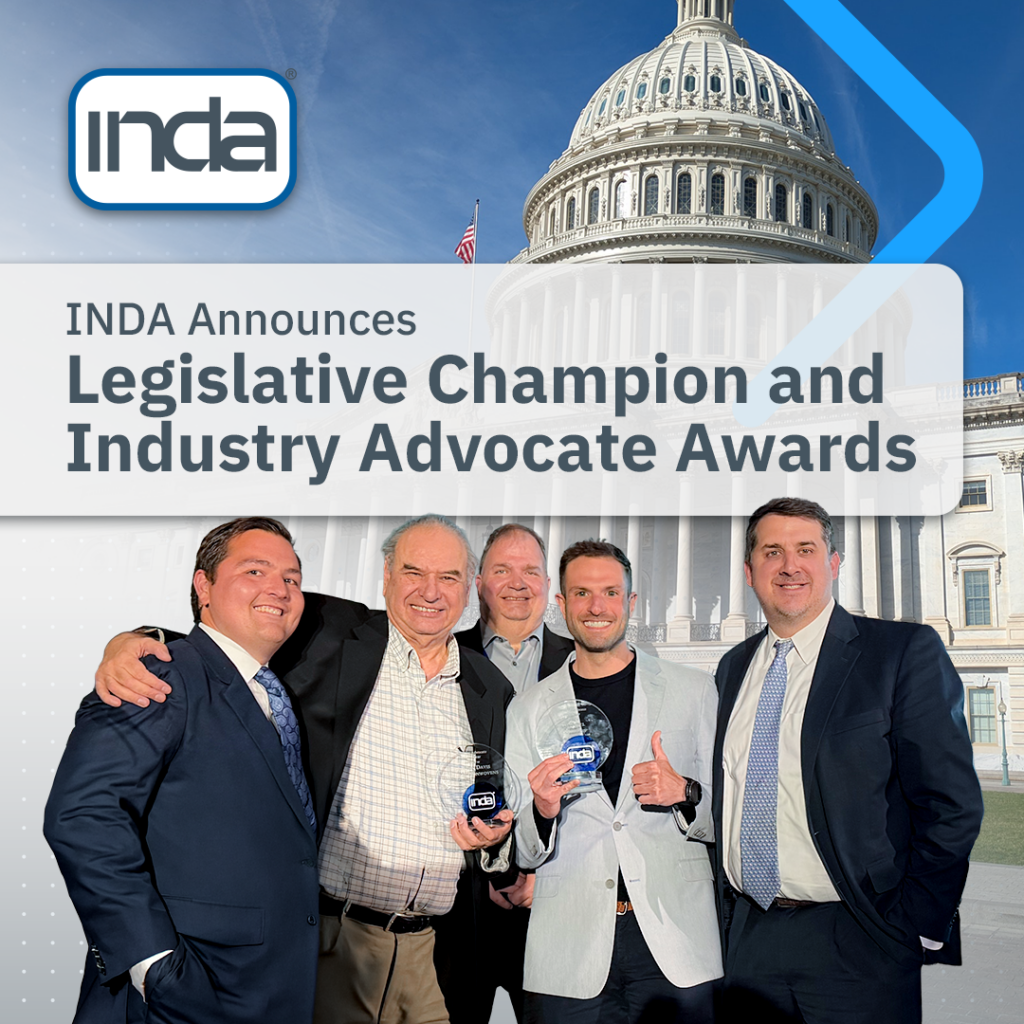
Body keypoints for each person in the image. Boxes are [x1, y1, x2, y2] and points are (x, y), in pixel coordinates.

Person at [93, 514, 514, 1024]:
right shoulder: (328, 630)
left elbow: (485, 800)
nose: (430, 591)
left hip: (430, 954)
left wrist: (489, 839)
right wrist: (137, 638)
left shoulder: (490, 688)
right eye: (412, 572)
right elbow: (229, 633)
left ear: (469, 587)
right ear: (385, 575)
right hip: (328, 941)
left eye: (448, 577)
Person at [714, 497, 984, 1023]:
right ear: (750, 572)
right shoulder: (732, 667)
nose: (790, 565)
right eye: (772, 552)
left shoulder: (900, 651)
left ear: (833, 563)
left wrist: (911, 922)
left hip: (860, 935)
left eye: (805, 550)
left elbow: (950, 803)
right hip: (749, 939)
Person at [44, 517, 320, 1024]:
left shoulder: (273, 692)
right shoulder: (158, 674)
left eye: (292, 578)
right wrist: (152, 964)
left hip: (265, 990)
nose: (279, 589)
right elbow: (82, 816)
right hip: (180, 997)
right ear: (203, 585)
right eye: (255, 571)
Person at [505, 540, 721, 1024]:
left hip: (675, 942)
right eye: (581, 593)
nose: (596, 607)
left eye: (609, 592)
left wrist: (684, 792)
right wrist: (540, 811)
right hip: (568, 947)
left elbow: (725, 813)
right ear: (561, 605)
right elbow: (520, 850)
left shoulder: (694, 690)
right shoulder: (528, 708)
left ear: (631, 602)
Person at [440, 524, 575, 1024]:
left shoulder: (582, 662)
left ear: (547, 583)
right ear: (479, 582)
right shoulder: (441, 655)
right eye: (502, 570)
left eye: (531, 571)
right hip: (459, 901)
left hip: (553, 899)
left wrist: (544, 873)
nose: (518, 583)